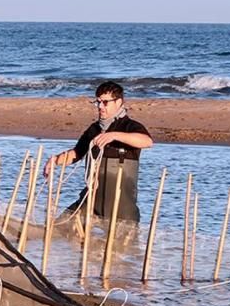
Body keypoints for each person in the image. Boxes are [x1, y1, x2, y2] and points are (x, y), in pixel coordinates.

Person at [44, 81, 153, 224]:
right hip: (91, 200)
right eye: (98, 102)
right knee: (59, 229)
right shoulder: (94, 129)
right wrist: (55, 161)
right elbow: (77, 153)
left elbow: (147, 142)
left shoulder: (130, 126)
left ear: (119, 102)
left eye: (105, 102)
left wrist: (114, 135)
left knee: (123, 246)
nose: (100, 107)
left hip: (121, 208)